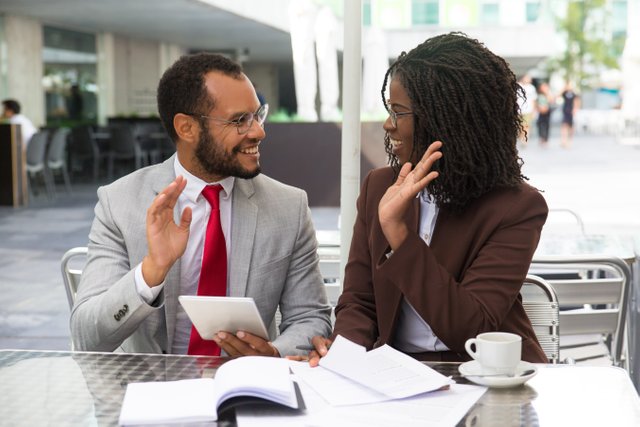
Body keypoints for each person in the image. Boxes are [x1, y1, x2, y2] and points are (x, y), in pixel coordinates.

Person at [305, 33, 548, 365]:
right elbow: (359, 301)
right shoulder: (380, 186)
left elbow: (470, 327)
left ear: (446, 120)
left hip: (487, 375)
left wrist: (401, 238)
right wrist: (343, 357)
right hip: (397, 372)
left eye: (400, 113)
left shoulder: (517, 207)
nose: (388, 125)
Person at [70, 53, 332, 357]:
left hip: (248, 391)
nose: (259, 131)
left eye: (258, 114)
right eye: (239, 120)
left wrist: (272, 354)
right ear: (186, 129)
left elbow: (310, 319)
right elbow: (87, 337)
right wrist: (151, 271)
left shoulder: (288, 207)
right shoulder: (120, 202)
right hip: (150, 394)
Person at [517, 74, 537, 144]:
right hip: (518, 109)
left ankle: (525, 139)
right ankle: (521, 136)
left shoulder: (531, 88)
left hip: (528, 109)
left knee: (526, 125)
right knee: (519, 125)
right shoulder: (518, 86)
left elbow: (534, 100)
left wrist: (534, 110)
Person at [560, 81, 579, 149]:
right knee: (564, 125)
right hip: (565, 110)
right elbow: (559, 95)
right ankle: (563, 140)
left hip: (571, 111)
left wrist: (575, 109)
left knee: (570, 126)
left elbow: (576, 101)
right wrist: (564, 88)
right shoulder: (565, 93)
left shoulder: (574, 94)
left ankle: (569, 140)